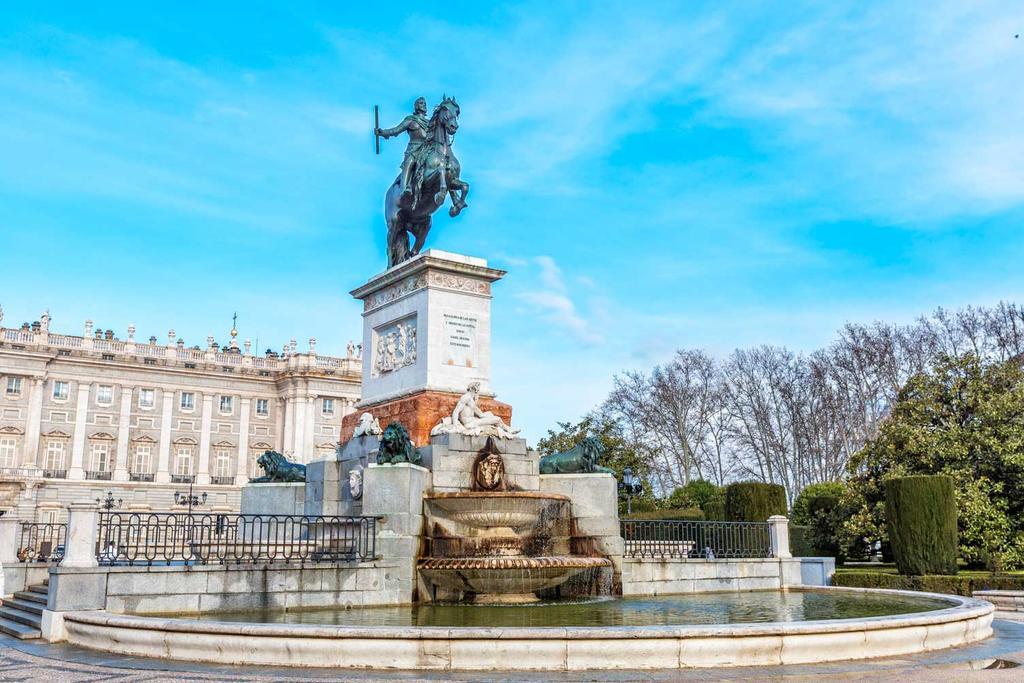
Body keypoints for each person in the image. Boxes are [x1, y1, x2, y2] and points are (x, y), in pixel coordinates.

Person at [376, 97, 429, 198]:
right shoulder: (410, 120)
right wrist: (383, 132)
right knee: (409, 163)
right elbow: (396, 130)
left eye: (425, 103)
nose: (424, 105)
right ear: (417, 106)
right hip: (414, 148)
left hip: (427, 149)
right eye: (421, 103)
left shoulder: (430, 123)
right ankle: (404, 188)